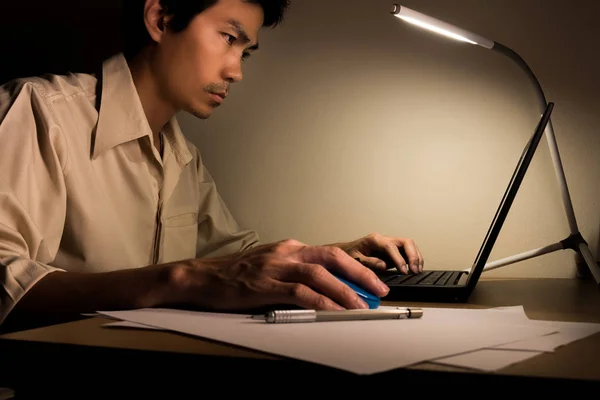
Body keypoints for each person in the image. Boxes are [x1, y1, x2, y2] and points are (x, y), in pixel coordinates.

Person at [0, 0, 424, 332]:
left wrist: (327, 258)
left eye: (246, 51)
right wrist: (179, 279)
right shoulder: (40, 112)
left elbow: (231, 261)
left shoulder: (183, 157)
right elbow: (5, 279)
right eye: (227, 37)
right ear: (160, 18)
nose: (236, 71)